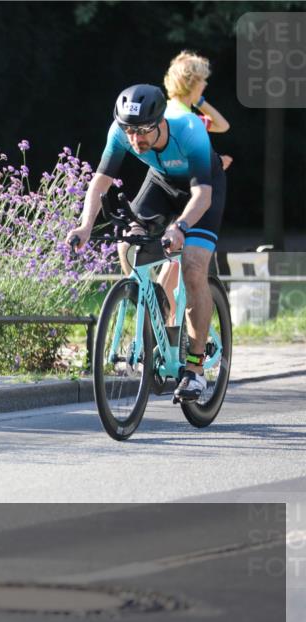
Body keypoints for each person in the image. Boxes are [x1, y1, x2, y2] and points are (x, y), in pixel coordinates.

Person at [66, 84, 226, 402]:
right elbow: (101, 180)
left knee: (193, 267)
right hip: (161, 184)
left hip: (201, 190)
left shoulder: (189, 129)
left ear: (160, 121)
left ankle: (194, 371)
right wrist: (85, 226)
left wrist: (180, 227)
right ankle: (150, 300)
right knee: (127, 242)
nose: (136, 140)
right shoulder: (120, 131)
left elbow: (202, 196)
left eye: (143, 132)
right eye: (129, 132)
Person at [158, 51, 231, 321]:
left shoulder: (177, 112)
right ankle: (169, 325)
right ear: (193, 82)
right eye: (203, 81)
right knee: (178, 261)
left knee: (172, 261)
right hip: (189, 192)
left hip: (175, 188)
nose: (206, 85)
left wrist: (196, 99)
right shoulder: (182, 117)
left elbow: (222, 126)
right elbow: (223, 125)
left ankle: (164, 326)